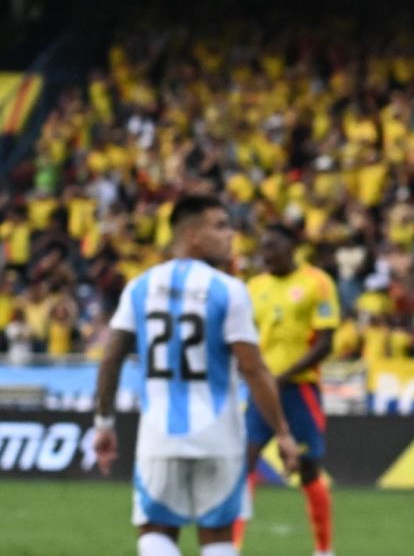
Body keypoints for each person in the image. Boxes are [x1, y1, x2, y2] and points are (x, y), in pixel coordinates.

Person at [93, 195, 300, 556]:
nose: (231, 234)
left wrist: (104, 423)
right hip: (218, 435)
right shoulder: (229, 290)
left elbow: (111, 359)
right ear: (192, 236)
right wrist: (282, 431)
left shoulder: (140, 287)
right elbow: (252, 368)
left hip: (158, 436)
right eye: (220, 226)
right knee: (218, 538)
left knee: (155, 533)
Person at [236, 223, 340, 556]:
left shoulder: (317, 282)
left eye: (272, 247)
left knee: (309, 468)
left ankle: (324, 550)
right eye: (262, 249)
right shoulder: (254, 286)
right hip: (261, 391)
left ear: (292, 246)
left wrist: (279, 378)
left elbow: (326, 343)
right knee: (244, 461)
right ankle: (230, 547)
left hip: (300, 390)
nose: (266, 255)